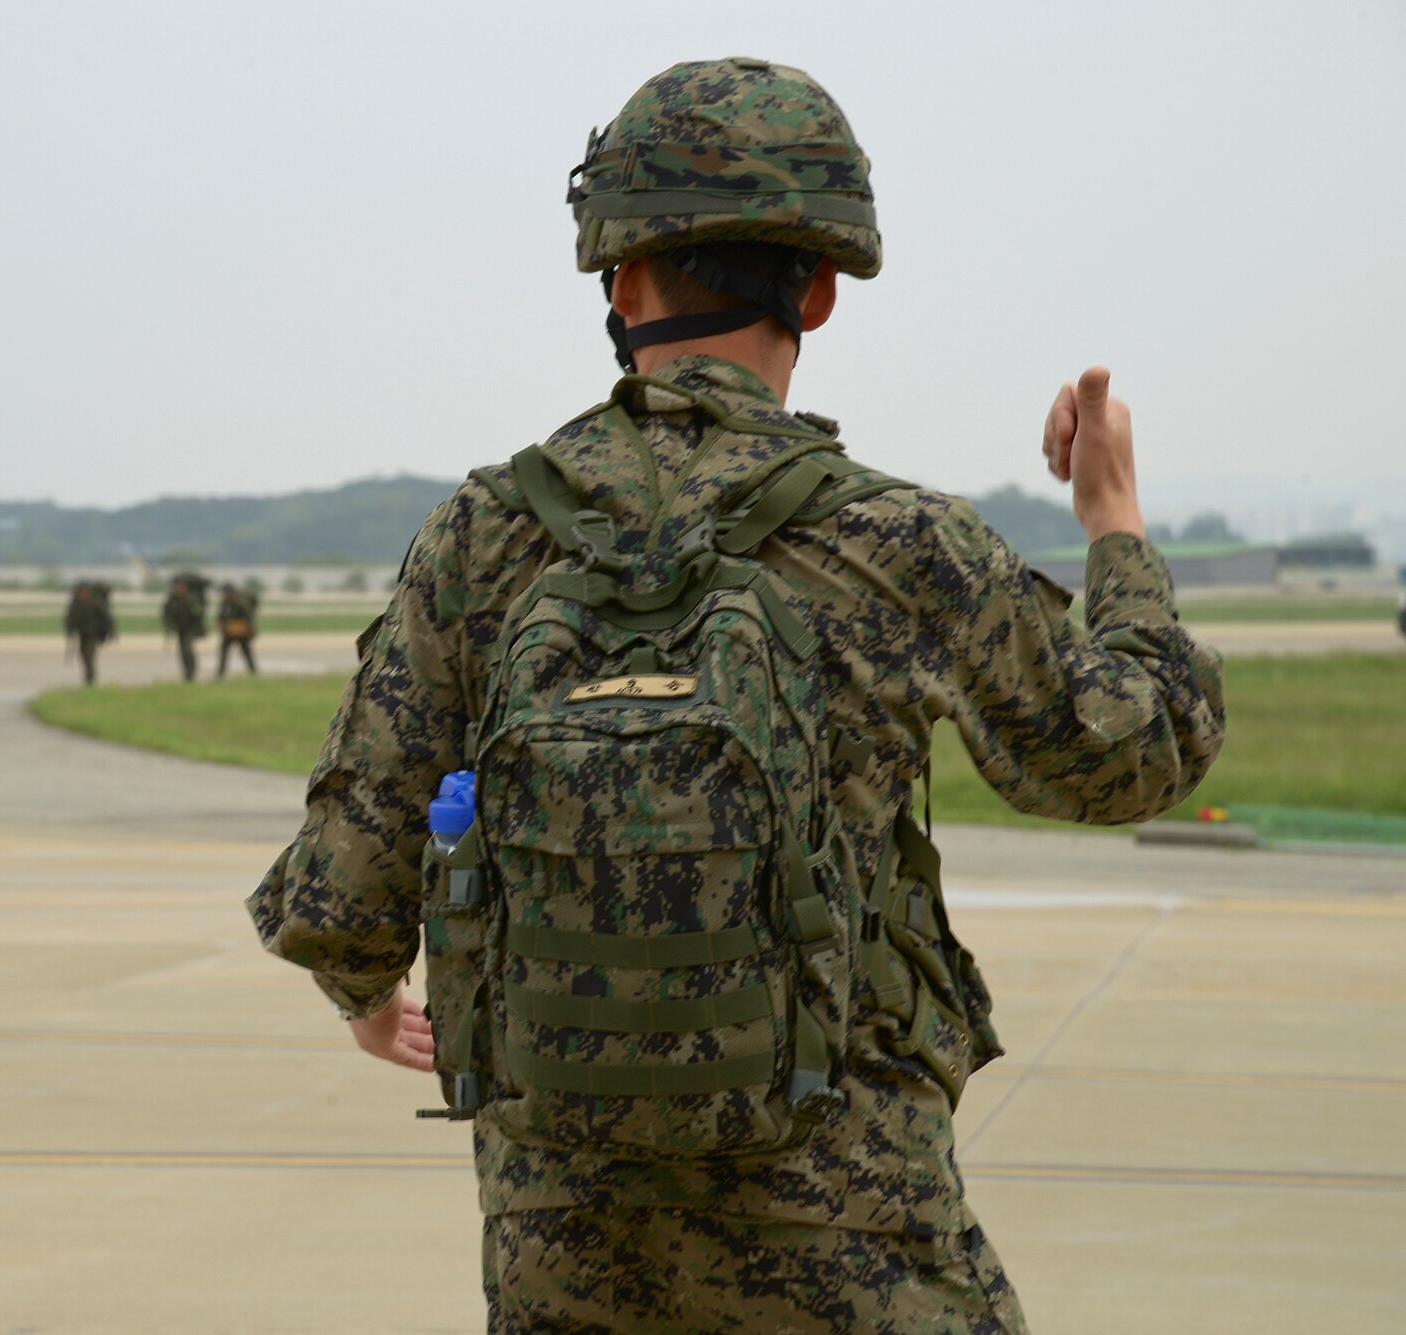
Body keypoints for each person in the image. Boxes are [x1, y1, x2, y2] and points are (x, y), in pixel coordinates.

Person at [246, 58, 1226, 1334]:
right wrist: (1111, 524)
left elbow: (341, 894)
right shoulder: (898, 540)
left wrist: (370, 998)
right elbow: (1130, 754)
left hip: (564, 1252)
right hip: (852, 1237)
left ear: (617, 280)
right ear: (818, 289)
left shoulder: (485, 537)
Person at [63, 581, 116, 686]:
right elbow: (70, 618)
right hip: (82, 633)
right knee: (83, 654)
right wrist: (70, 631)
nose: (84, 595)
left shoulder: (96, 602)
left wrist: (111, 631)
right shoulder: (76, 604)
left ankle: (90, 676)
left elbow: (106, 617)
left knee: (89, 654)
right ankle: (89, 676)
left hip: (93, 633)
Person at [160, 575, 207, 682]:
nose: (178, 589)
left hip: (190, 629)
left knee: (187, 649)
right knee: (182, 651)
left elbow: (198, 614)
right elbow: (166, 613)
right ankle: (187, 674)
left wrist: (199, 627)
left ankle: (191, 673)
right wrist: (169, 624)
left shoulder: (191, 600)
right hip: (180, 629)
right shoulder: (172, 600)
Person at [215, 582, 259, 679]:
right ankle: (220, 675)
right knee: (223, 652)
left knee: (246, 653)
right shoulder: (225, 603)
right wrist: (222, 625)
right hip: (229, 632)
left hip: (241, 632)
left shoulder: (241, 603)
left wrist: (245, 629)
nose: (225, 595)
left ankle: (253, 674)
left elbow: (249, 617)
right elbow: (220, 617)